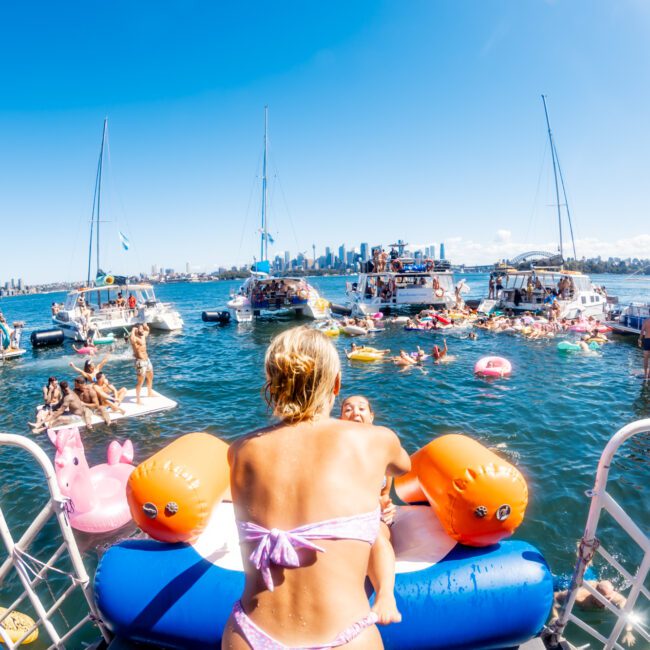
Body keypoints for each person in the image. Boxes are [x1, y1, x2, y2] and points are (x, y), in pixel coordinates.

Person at [222, 327, 410, 649]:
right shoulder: (377, 440)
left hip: (249, 635)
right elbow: (402, 467)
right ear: (336, 384)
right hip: (345, 636)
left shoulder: (240, 451)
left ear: (273, 384)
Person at [340, 395, 401, 625]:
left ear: (371, 416)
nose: (355, 412)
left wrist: (388, 506)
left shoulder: (382, 453)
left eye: (361, 408)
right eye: (347, 409)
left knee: (374, 531)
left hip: (374, 518)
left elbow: (385, 494)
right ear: (340, 418)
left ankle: (385, 596)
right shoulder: (334, 450)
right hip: (344, 516)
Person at [553, 580, 635, 646]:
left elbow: (628, 612)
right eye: (604, 599)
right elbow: (556, 596)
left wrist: (629, 631)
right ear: (594, 596)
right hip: (569, 583)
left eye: (609, 598)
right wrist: (556, 617)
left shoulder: (614, 597)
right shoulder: (580, 598)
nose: (607, 602)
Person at [130, 324, 153, 404]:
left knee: (150, 376)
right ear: (136, 331)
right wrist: (133, 330)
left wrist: (145, 325)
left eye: (142, 329)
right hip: (140, 362)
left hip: (147, 360)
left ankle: (149, 392)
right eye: (140, 329)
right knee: (140, 381)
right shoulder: (135, 339)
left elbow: (148, 330)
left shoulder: (143, 335)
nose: (142, 330)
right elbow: (132, 339)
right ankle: (138, 399)